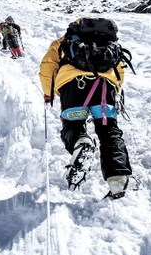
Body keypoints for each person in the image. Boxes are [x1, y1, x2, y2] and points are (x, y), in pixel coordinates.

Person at [39, 17, 132, 199]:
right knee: (109, 131)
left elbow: (47, 66)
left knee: (73, 125)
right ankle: (118, 180)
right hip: (105, 86)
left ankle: (81, 142)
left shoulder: (64, 41)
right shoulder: (109, 43)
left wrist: (47, 93)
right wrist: (114, 88)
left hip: (72, 85)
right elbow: (119, 71)